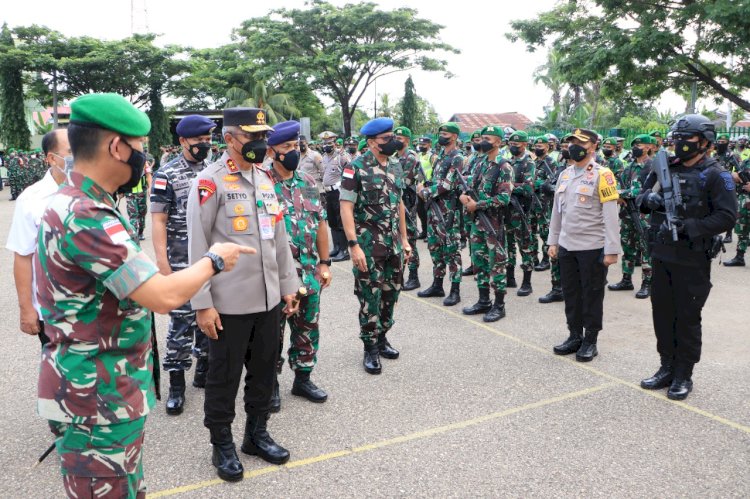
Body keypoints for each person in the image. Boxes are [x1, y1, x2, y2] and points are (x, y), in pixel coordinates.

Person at [35, 93, 254, 498]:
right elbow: (163, 296)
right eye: (139, 149)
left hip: (105, 391)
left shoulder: (88, 203)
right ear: (116, 146)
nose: (144, 159)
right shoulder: (85, 215)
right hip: (95, 397)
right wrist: (215, 259)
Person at [187, 107, 299, 482]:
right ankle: (222, 442)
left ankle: (256, 434)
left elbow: (278, 238)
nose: (260, 143)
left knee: (265, 369)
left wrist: (288, 285)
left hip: (268, 299)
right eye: (252, 137)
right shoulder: (210, 181)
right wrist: (202, 304)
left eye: (263, 136)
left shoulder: (266, 178)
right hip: (228, 303)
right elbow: (198, 246)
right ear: (229, 138)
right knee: (224, 376)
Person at [637, 115, 737, 400]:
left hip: (693, 258)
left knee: (687, 317)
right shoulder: (665, 166)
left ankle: (684, 373)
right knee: (662, 313)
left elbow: (727, 216)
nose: (679, 144)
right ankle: (666, 367)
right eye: (677, 138)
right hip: (662, 253)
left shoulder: (717, 175)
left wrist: (690, 227)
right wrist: (649, 200)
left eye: (687, 138)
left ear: (705, 142)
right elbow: (641, 197)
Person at [150, 114, 216, 415]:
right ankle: (176, 381)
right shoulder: (167, 174)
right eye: (198, 141)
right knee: (181, 322)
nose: (205, 145)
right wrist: (163, 266)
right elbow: (159, 220)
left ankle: (204, 366)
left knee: (211, 315)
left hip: (212, 260)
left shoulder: (214, 171)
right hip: (180, 260)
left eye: (208, 140)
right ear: (183, 142)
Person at [340, 117, 411, 374]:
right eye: (385, 139)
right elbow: (346, 206)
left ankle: (382, 338)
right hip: (369, 246)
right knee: (370, 297)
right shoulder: (355, 168)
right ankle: (370, 347)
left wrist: (404, 239)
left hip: (393, 245)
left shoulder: (395, 164)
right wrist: (353, 245)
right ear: (371, 143)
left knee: (391, 293)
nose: (392, 141)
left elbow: (399, 203)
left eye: (392, 136)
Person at [268, 120, 331, 408]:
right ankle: (269, 385)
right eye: (286, 147)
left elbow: (320, 223)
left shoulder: (307, 182)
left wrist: (325, 262)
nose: (293, 151)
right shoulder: (262, 185)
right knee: (272, 333)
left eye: (295, 146)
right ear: (272, 152)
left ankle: (303, 378)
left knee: (308, 326)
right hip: (277, 275)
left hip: (308, 270)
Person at [548, 128, 622, 362]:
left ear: (593, 147)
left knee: (591, 294)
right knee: (571, 293)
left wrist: (612, 250)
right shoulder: (565, 175)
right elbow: (557, 212)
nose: (574, 146)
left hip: (593, 246)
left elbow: (611, 214)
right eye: (571, 142)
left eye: (580, 142)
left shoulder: (604, 175)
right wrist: (553, 240)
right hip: (567, 245)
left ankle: (590, 340)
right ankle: (574, 336)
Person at [6, 130, 70, 347]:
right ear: (52, 158)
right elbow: (23, 255)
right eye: (72, 152)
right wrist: (26, 308)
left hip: (95, 311)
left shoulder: (95, 192)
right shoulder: (31, 200)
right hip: (53, 312)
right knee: (60, 376)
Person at [460, 125, 513, 322]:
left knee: (497, 264)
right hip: (477, 223)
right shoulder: (480, 162)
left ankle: (499, 306)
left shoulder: (504, 166)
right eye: (482, 137)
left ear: (498, 142)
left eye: (488, 138)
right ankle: (483, 301)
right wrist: (464, 196)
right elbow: (470, 185)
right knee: (479, 261)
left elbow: (504, 198)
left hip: (493, 224)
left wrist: (478, 204)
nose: (484, 141)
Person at [417, 122, 464, 306]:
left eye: (445, 133)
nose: (441, 136)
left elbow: (448, 184)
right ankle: (437, 285)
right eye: (441, 132)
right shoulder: (438, 157)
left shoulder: (457, 157)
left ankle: (455, 290)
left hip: (448, 211)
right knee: (435, 248)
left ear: (453, 136)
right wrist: (425, 185)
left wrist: (424, 192)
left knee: (452, 251)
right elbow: (436, 181)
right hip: (434, 210)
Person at [608, 134, 655, 298]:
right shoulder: (629, 167)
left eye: (639, 145)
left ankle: (647, 283)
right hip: (627, 212)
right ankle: (626, 279)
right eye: (634, 145)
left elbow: (641, 191)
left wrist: (622, 193)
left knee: (645, 248)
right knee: (628, 247)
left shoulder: (652, 167)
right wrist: (620, 194)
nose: (635, 147)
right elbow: (619, 185)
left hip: (644, 214)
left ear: (648, 147)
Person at [505, 131, 536, 296]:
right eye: (511, 144)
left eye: (516, 144)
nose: (513, 147)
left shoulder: (528, 163)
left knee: (524, 245)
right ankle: (510, 276)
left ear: (524, 145)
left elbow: (528, 188)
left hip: (520, 210)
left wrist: (507, 187)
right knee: (508, 243)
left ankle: (527, 281)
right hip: (507, 209)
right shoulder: (509, 162)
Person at [394, 125, 425, 291]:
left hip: (408, 201)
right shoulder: (395, 156)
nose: (396, 141)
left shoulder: (411, 157)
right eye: (395, 138)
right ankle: (400, 273)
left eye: (399, 139)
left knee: (410, 237)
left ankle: (414, 276)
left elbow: (403, 181)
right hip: (398, 200)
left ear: (407, 140)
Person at [416, 136, 437, 239]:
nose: (421, 146)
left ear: (429, 145)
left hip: (428, 187)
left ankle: (429, 233)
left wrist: (428, 185)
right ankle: (424, 231)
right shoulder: (418, 155)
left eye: (424, 145)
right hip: (418, 186)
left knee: (427, 210)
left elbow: (435, 171)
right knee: (420, 210)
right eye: (420, 145)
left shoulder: (432, 156)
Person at [298, 135, 325, 200]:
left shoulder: (315, 155)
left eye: (302, 142)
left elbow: (323, 171)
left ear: (306, 142)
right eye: (298, 143)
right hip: (301, 188)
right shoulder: (296, 155)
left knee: (314, 208)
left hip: (313, 188)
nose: (300, 145)